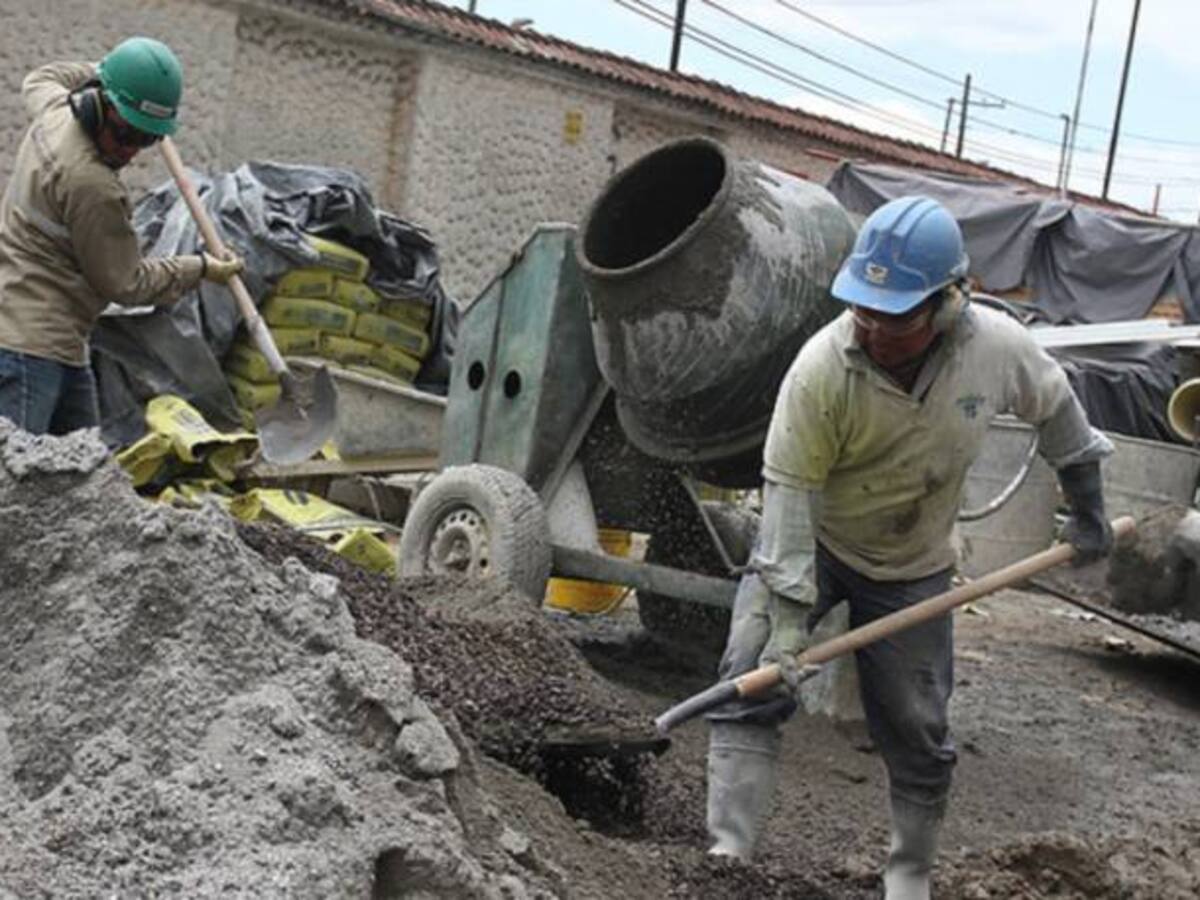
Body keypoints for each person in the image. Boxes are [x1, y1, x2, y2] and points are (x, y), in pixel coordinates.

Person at [705, 196, 1114, 899]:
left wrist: (1089, 511)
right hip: (816, 542)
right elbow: (790, 503)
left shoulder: (996, 348)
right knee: (750, 677)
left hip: (914, 565)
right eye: (863, 308)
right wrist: (791, 621)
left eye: (894, 314)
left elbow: (1062, 418)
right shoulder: (820, 371)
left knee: (918, 729)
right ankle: (724, 859)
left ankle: (908, 881)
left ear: (948, 302)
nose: (873, 327)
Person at [0, 36, 243, 435]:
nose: (131, 150)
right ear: (98, 103)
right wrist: (199, 267)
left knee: (83, 483)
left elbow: (41, 77)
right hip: (29, 351)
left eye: (147, 138)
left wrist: (111, 72)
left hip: (61, 344)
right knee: (14, 484)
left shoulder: (55, 110)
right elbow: (125, 282)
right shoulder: (92, 184)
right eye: (125, 133)